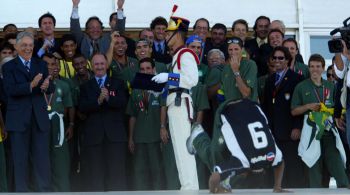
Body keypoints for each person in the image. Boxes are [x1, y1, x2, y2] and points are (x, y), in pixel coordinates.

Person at [186, 98, 287, 193]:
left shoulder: (271, 154)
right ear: (246, 172)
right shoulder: (243, 161)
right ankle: (198, 135)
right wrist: (217, 190)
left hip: (251, 105)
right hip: (226, 110)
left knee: (231, 154)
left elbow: (281, 163)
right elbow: (213, 178)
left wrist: (277, 187)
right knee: (216, 157)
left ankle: (225, 179)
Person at [152, 11, 199, 190]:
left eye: (168, 32)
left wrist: (168, 77)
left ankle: (189, 188)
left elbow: (191, 79)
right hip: (175, 103)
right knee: (180, 151)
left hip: (180, 104)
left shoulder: (185, 54)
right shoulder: (177, 55)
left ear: (177, 34)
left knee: (184, 150)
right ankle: (187, 186)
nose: (165, 36)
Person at [2, 31, 54, 192]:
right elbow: (9, 90)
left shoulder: (41, 64)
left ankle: (43, 190)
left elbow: (50, 86)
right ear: (16, 47)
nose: (27, 48)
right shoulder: (8, 66)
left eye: (30, 45)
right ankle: (22, 192)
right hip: (18, 120)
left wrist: (46, 86)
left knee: (41, 159)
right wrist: (30, 85)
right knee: (20, 160)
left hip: (39, 118)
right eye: (24, 45)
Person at [291, 54, 349, 188]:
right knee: (313, 169)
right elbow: (293, 111)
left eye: (318, 66)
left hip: (328, 131)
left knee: (337, 166)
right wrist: (308, 107)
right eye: (311, 66)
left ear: (323, 68)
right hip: (311, 131)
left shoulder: (331, 86)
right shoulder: (301, 86)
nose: (314, 69)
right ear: (308, 68)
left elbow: (338, 108)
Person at [78, 53, 127, 191]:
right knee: (95, 175)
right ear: (91, 67)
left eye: (101, 64)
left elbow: (123, 103)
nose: (99, 67)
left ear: (106, 65)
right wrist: (98, 101)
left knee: (117, 174)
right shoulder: (85, 86)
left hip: (115, 136)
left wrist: (108, 99)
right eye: (96, 64)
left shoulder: (118, 83)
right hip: (94, 138)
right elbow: (82, 107)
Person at [262, 46, 306, 188]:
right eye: (274, 58)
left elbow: (300, 106)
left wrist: (297, 127)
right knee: (275, 167)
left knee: (292, 169)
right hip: (273, 132)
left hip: (290, 131)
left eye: (281, 58)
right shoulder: (270, 80)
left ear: (287, 60)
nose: (277, 61)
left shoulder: (297, 78)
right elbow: (266, 107)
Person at [126, 57, 163, 190]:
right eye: (142, 69)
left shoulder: (161, 87)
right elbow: (132, 116)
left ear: (154, 70)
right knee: (139, 173)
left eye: (148, 68)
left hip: (156, 137)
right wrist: (131, 138)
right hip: (139, 138)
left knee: (157, 172)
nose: (145, 71)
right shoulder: (136, 89)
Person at [43, 53, 74, 191]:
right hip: (41, 126)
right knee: (42, 160)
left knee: (61, 162)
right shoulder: (36, 84)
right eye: (47, 64)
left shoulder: (64, 85)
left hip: (59, 126)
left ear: (57, 66)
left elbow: (69, 106)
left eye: (53, 64)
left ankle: (62, 190)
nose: (50, 67)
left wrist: (70, 125)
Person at [219, 37, 258, 102]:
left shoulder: (250, 64)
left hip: (247, 108)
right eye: (230, 50)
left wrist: (236, 71)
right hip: (230, 108)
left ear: (242, 49)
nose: (233, 52)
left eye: (236, 49)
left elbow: (246, 94)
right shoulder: (226, 67)